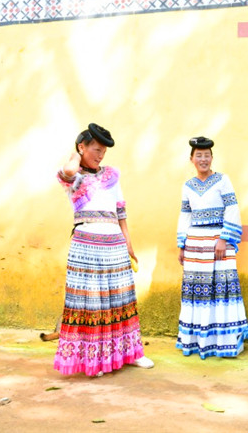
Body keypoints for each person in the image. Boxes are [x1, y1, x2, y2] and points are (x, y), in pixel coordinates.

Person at [54, 123, 153, 377]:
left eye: (103, 152)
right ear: (82, 147)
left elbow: (121, 211)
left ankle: (131, 353)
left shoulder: (112, 175)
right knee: (91, 302)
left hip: (114, 243)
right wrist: (76, 155)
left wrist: (128, 242)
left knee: (122, 299)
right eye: (96, 149)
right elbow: (69, 169)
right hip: (86, 244)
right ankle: (94, 359)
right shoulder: (73, 178)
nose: (100, 156)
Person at [176, 137, 248, 359]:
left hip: (219, 242)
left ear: (212, 157)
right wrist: (182, 244)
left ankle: (224, 343)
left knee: (221, 288)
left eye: (207, 155)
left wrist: (224, 238)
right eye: (199, 155)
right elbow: (185, 215)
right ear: (191, 159)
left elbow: (232, 208)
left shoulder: (222, 180)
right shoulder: (187, 186)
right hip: (195, 245)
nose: (203, 159)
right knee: (198, 290)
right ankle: (199, 342)